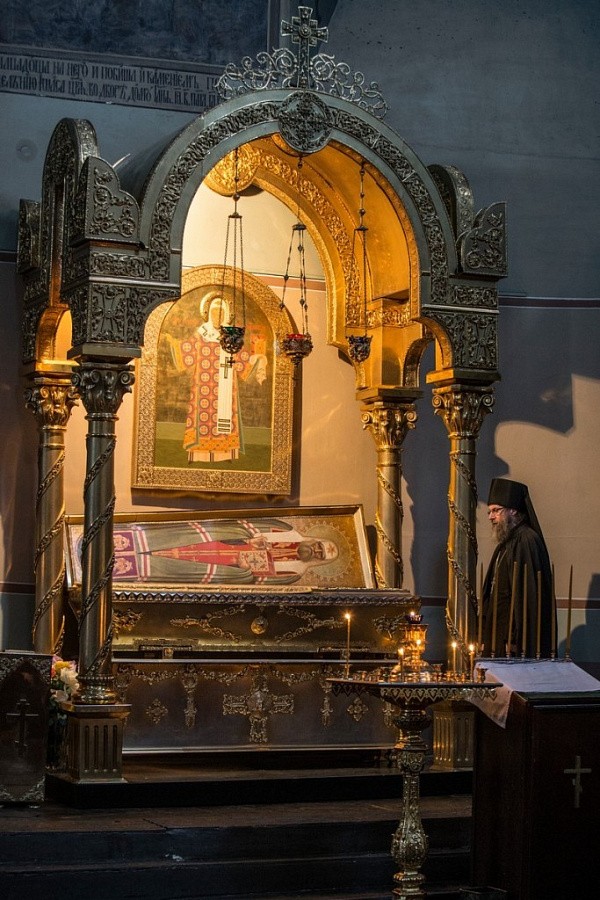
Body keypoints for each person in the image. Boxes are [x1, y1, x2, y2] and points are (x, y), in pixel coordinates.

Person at [166, 292, 267, 463]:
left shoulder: (231, 336)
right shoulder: (202, 334)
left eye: (220, 313)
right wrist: (172, 343)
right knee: (202, 417)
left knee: (225, 416)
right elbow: (186, 351)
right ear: (208, 314)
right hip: (203, 386)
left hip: (225, 385)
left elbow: (241, 358)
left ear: (226, 315)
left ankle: (225, 454)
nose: (216, 316)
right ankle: (198, 454)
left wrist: (256, 358)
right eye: (213, 313)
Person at [110, 517, 339, 586]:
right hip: (217, 542)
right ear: (315, 539)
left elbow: (256, 582)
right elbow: (246, 526)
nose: (314, 551)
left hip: (221, 567)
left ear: (319, 563)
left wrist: (244, 571)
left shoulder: (295, 573)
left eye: (319, 555)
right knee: (167, 541)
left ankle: (119, 571)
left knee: (164, 566)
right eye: (318, 546)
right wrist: (252, 538)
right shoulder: (286, 529)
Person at [481, 478, 554, 658]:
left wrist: (514, 638)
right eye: (489, 511)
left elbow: (527, 597)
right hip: (498, 635)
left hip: (512, 642)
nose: (491, 517)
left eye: (496, 510)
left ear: (513, 510)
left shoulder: (526, 540)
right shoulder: (507, 543)